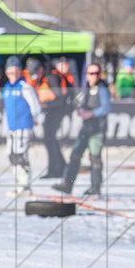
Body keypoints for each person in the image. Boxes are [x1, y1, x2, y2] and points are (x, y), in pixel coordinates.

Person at [53, 62, 111, 196]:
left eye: (96, 73)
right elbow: (77, 102)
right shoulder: (85, 89)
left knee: (94, 157)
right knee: (75, 156)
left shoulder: (102, 89)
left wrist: (90, 113)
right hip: (86, 129)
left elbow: (106, 108)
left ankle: (95, 187)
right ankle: (67, 184)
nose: (94, 76)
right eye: (91, 73)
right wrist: (77, 107)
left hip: (97, 130)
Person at [1, 56, 42, 195]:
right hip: (11, 127)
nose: (14, 75)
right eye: (11, 72)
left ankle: (25, 185)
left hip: (23, 126)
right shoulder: (6, 87)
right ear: (6, 72)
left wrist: (33, 120)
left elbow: (36, 107)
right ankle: (19, 182)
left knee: (20, 154)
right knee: (10, 155)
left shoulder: (25, 87)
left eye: (16, 72)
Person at [39, 57, 73, 178]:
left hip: (55, 111)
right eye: (63, 64)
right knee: (51, 140)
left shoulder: (55, 77)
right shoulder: (58, 76)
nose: (66, 67)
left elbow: (60, 98)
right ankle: (61, 166)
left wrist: (47, 104)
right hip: (55, 110)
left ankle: (55, 169)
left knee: (50, 140)